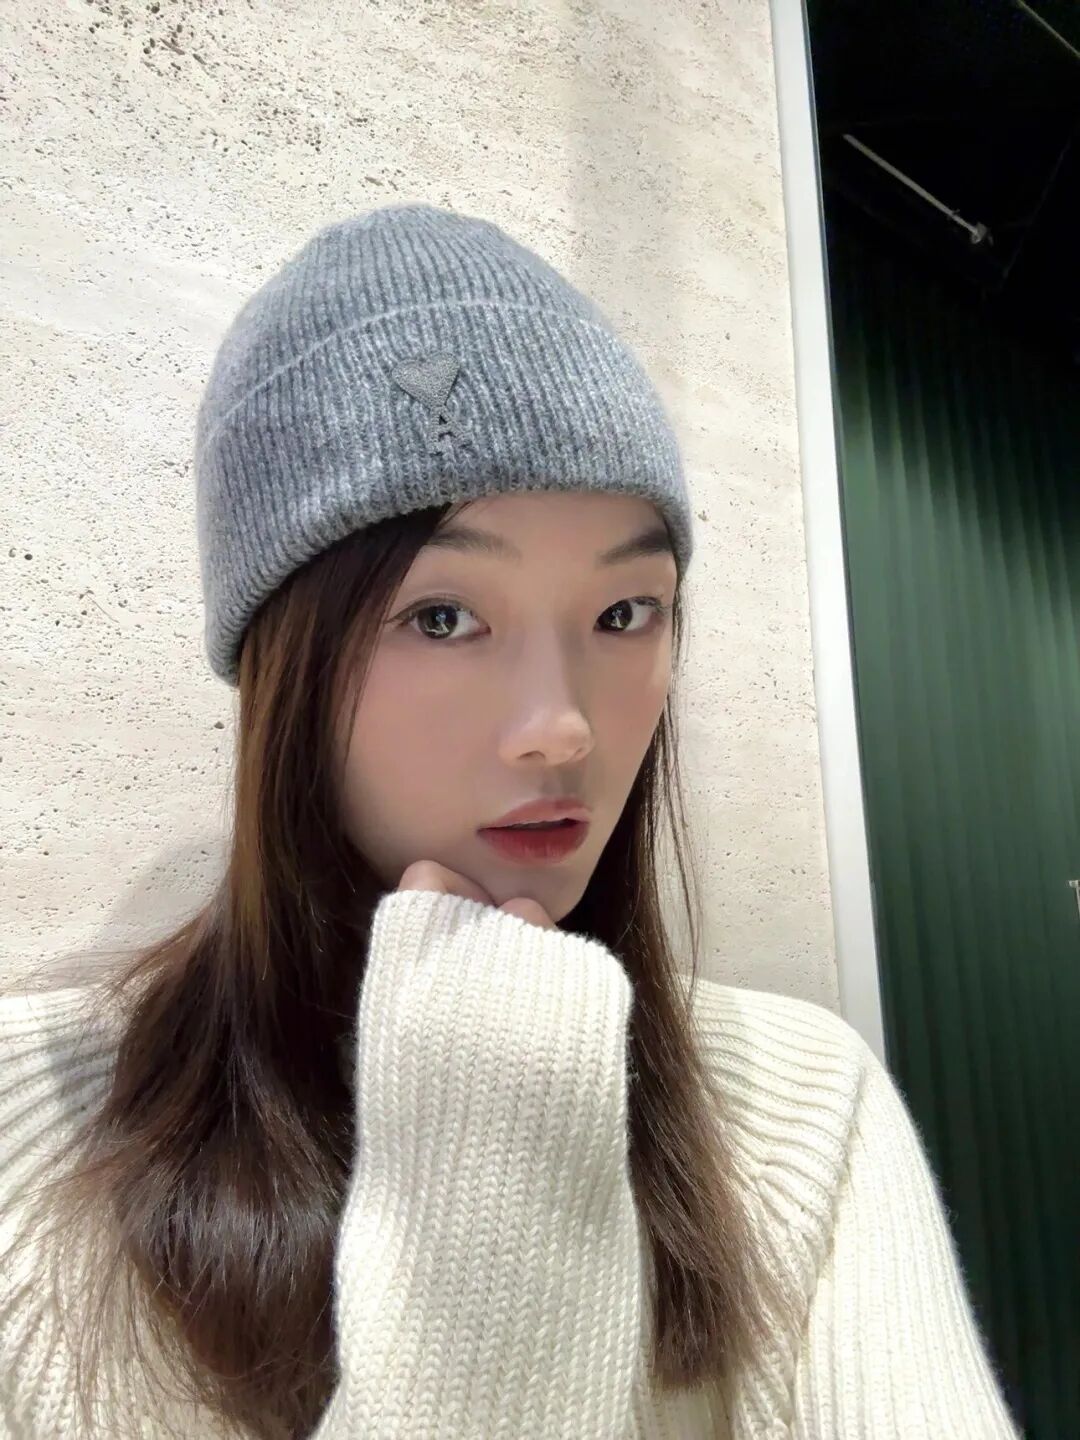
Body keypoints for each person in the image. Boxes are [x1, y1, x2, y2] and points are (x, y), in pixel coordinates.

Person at [0, 204, 1020, 1440]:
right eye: (443, 617)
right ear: (282, 663)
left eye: (626, 613)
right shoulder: (29, 1127)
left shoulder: (802, 1106)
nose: (562, 728)